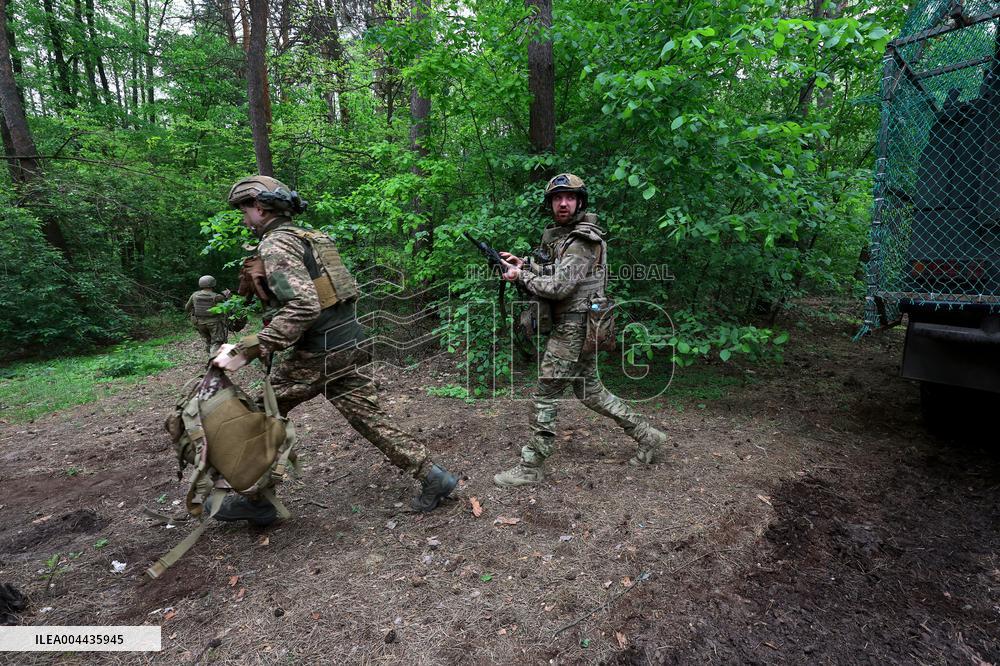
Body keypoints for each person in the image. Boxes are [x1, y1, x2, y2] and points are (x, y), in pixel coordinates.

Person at [210, 175, 458, 522]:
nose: (243, 218)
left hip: (321, 351)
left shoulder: (277, 244)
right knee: (368, 418)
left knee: (256, 416)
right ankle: (434, 477)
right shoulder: (312, 238)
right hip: (349, 341)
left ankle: (257, 500)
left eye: (244, 210)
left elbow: (304, 306)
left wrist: (249, 348)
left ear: (261, 208)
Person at [493, 173, 668, 487]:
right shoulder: (567, 237)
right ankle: (648, 436)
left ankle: (531, 466)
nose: (563, 203)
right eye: (557, 198)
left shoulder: (583, 240)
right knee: (591, 392)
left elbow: (560, 287)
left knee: (545, 395)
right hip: (578, 326)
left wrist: (520, 277)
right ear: (551, 204)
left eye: (569, 198)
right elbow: (558, 272)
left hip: (573, 329)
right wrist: (526, 265)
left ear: (580, 201)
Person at [184, 275, 229, 356]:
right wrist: (227, 296)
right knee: (216, 342)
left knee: (209, 340)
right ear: (213, 283)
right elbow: (227, 309)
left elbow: (187, 308)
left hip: (200, 324)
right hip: (214, 324)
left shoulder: (194, 295)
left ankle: (211, 356)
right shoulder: (217, 296)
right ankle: (213, 361)